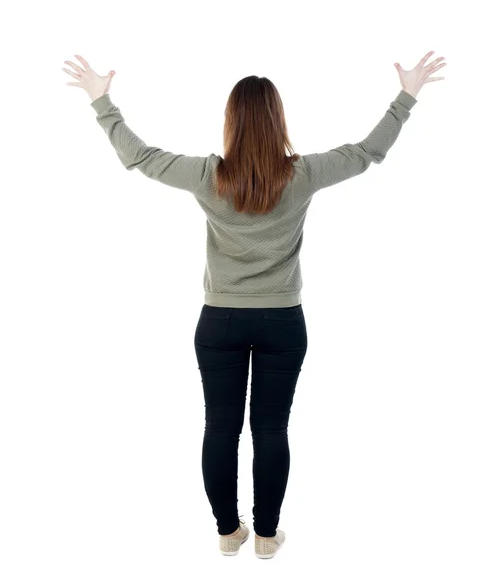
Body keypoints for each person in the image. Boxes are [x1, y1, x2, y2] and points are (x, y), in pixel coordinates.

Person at [63, 50, 447, 559]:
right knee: (271, 428)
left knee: (220, 426)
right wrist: (406, 96)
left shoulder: (206, 175)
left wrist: (101, 100)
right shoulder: (303, 174)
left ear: (231, 123)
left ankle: (229, 533)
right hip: (283, 322)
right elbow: (365, 152)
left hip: (218, 321)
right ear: (278, 121)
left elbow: (141, 157)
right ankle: (266, 536)